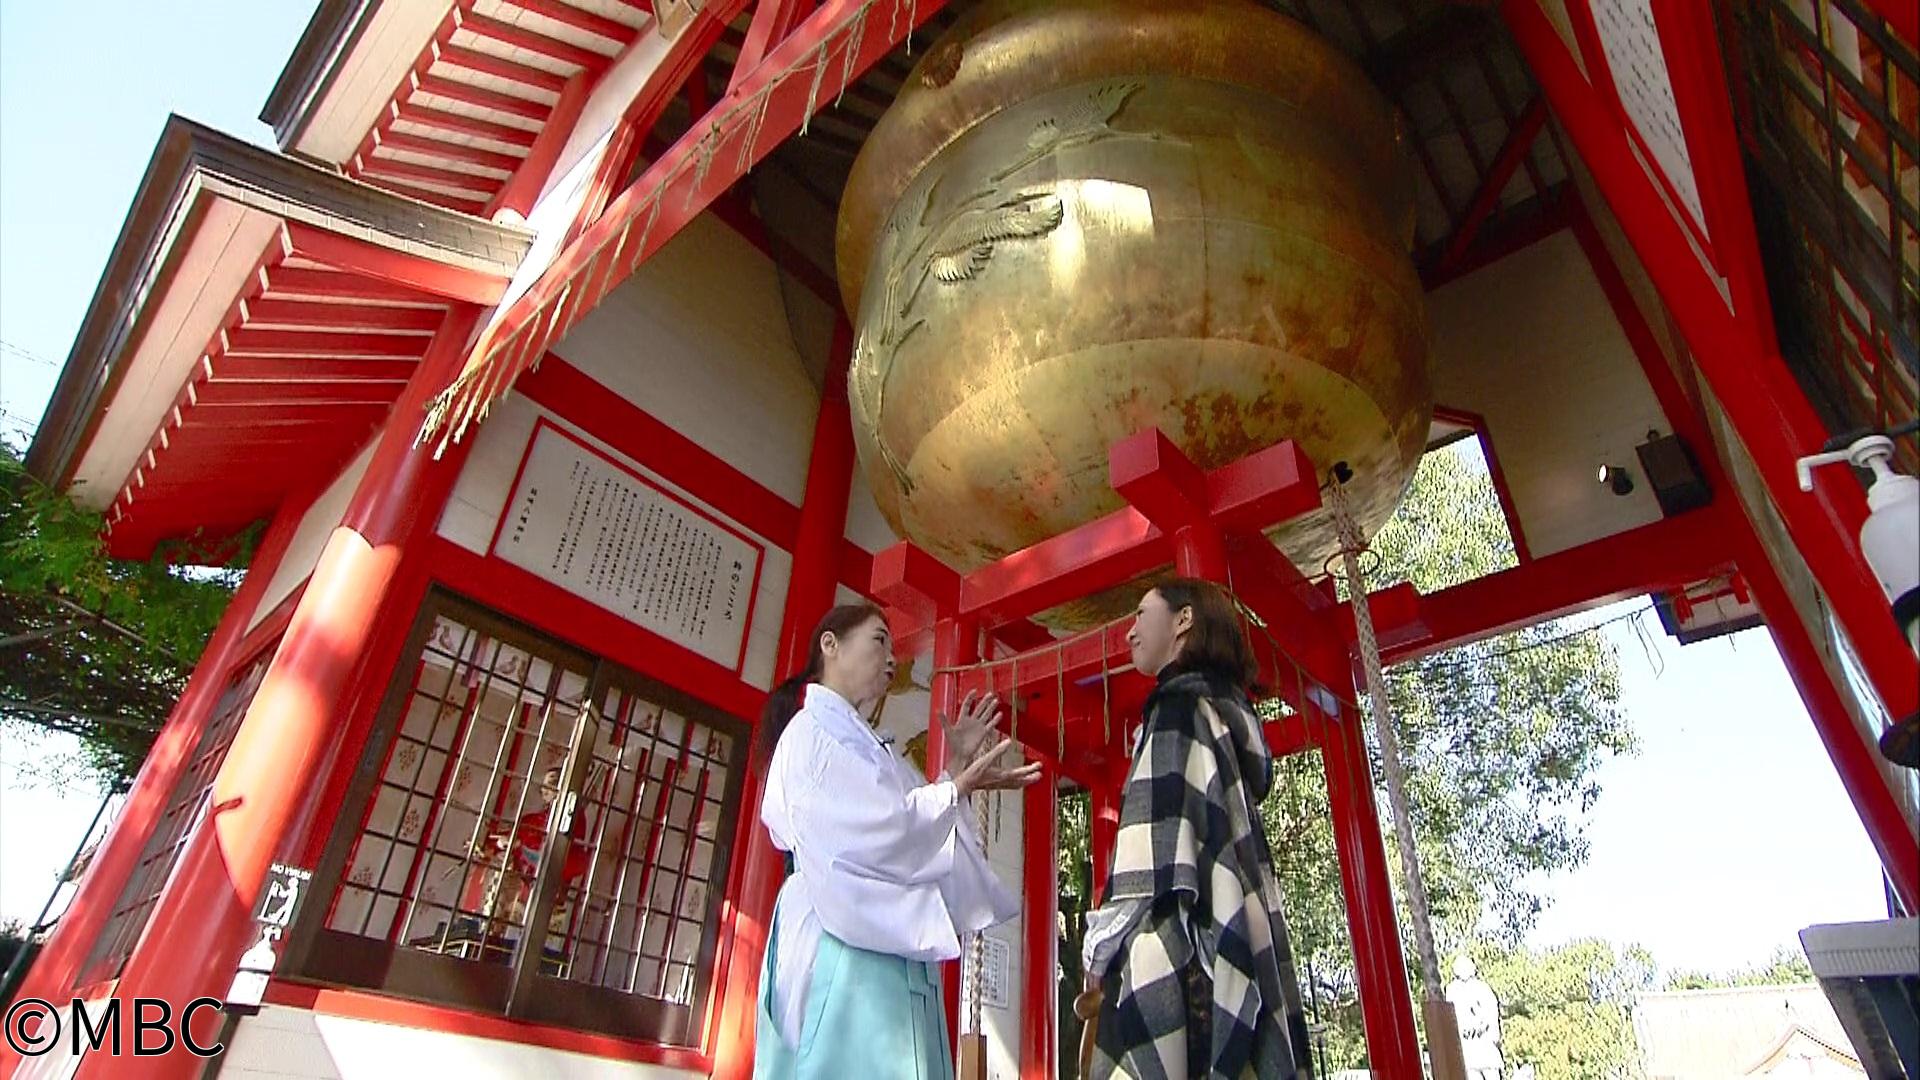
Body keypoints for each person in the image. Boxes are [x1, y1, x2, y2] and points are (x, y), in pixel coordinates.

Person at [755, 602, 1042, 1079]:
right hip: (840, 932)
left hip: (882, 935)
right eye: (879, 640)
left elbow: (913, 823)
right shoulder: (809, 731)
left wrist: (956, 773)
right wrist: (954, 787)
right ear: (831, 644)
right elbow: (880, 828)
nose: (893, 657)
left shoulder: (869, 743)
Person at [1081, 579, 1309, 1079]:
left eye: (1141, 614)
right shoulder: (1224, 714)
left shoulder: (1178, 711)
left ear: (1183, 620)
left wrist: (1102, 947)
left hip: (1176, 944)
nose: (1129, 633)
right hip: (1231, 935)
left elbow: (1149, 852)